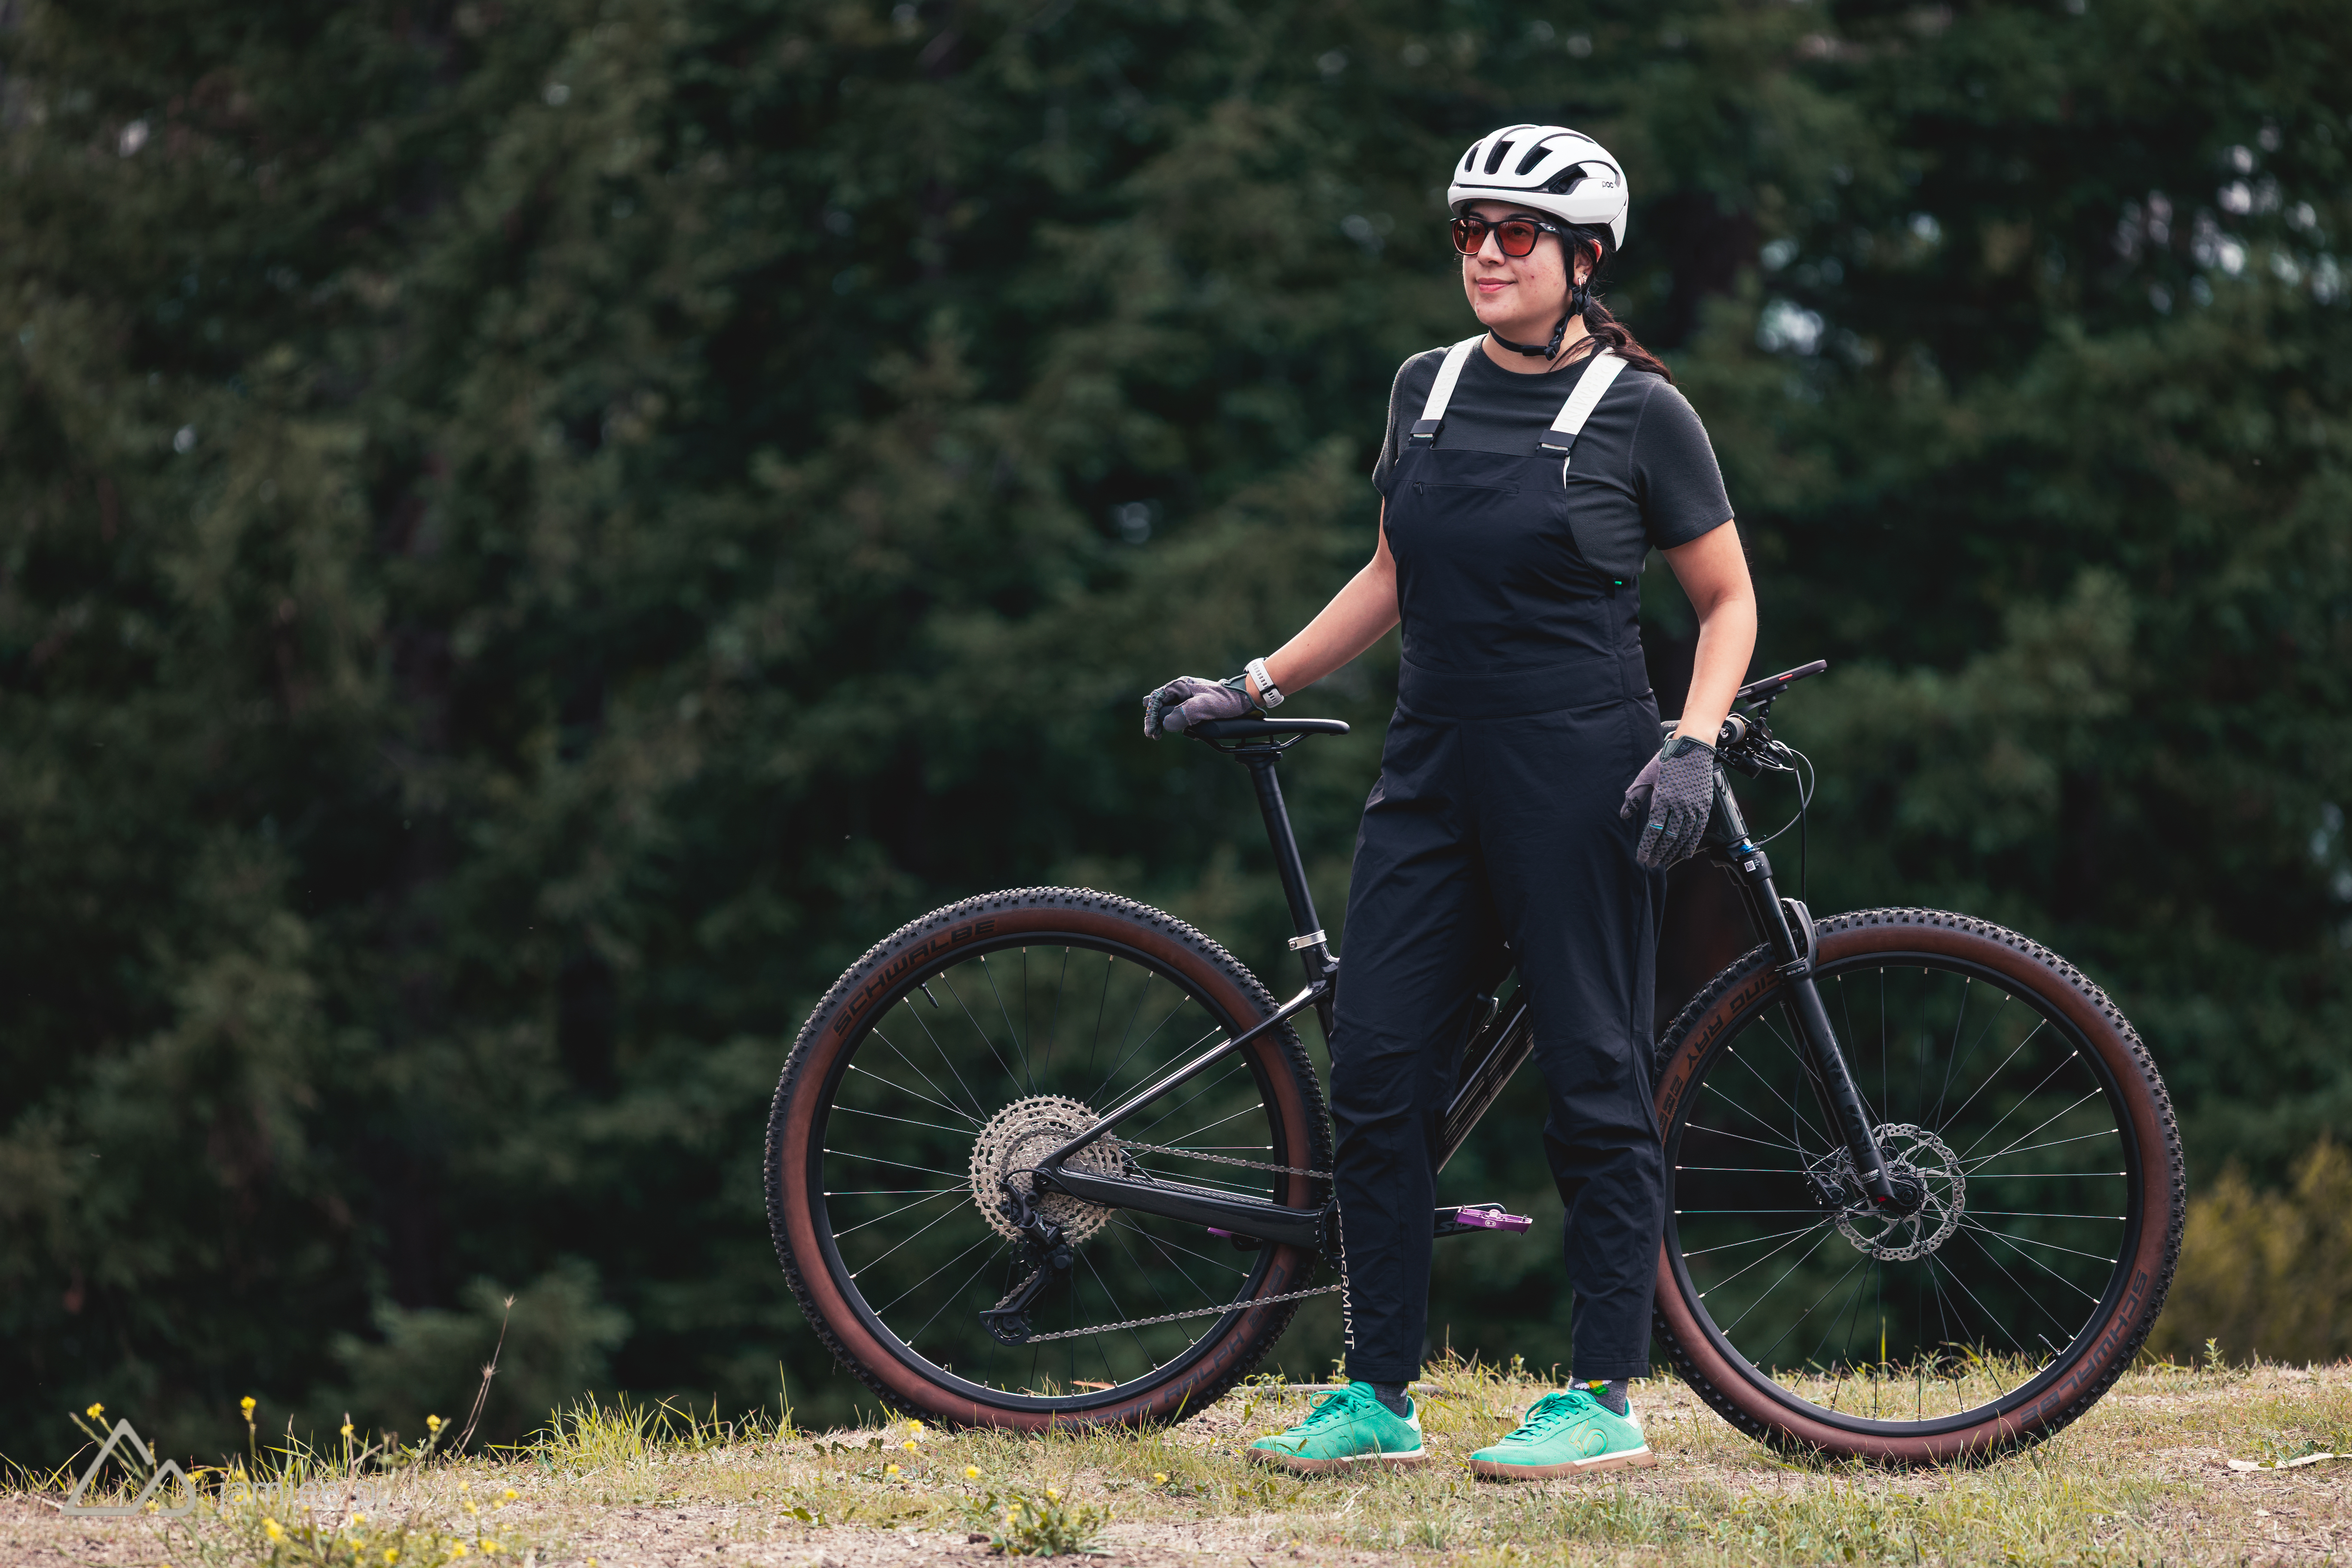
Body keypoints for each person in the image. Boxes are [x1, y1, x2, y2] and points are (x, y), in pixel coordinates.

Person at [1142, 125, 1757, 1479]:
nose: (1485, 253)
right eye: (1469, 231)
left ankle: (1602, 1398)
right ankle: (1377, 1397)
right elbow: (1389, 577)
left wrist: (1694, 745)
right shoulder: (1423, 389)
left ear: (1583, 258)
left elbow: (1726, 601)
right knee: (1375, 1078)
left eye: (1516, 234)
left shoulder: (1643, 412)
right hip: (1429, 774)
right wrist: (1255, 678)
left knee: (1596, 1080)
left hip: (1581, 773)